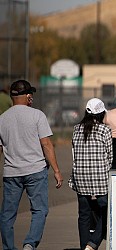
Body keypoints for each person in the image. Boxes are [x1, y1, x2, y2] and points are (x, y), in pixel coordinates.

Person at [0, 80, 63, 250]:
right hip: (35, 170)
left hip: (11, 173)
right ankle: (30, 243)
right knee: (39, 210)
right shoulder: (37, 115)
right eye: (31, 94)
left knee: (7, 215)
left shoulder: (2, 119)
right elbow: (46, 144)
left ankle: (8, 247)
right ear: (27, 96)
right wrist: (57, 170)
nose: (32, 97)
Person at [69, 98, 112, 250]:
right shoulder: (105, 130)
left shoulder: (76, 129)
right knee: (106, 213)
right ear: (101, 114)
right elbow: (110, 156)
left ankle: (84, 246)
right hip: (100, 178)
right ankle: (92, 244)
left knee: (84, 214)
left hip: (80, 176)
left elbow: (74, 153)